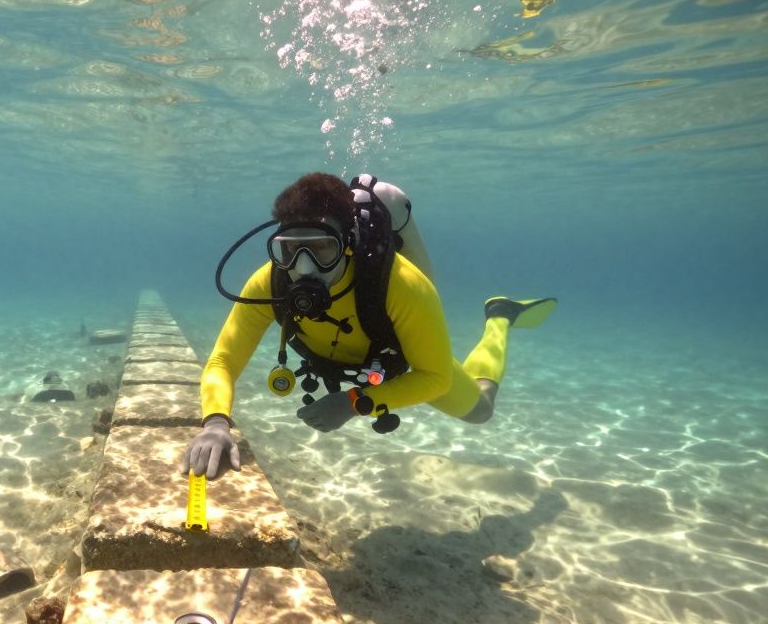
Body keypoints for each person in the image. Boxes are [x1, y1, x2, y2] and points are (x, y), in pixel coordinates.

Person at [179, 172, 555, 480]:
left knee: (481, 410)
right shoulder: (271, 282)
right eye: (290, 249)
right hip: (358, 364)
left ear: (347, 243)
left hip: (402, 362)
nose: (303, 266)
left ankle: (500, 318)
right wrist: (216, 422)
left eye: (322, 248)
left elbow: (434, 377)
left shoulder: (402, 285)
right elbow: (223, 361)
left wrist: (355, 402)